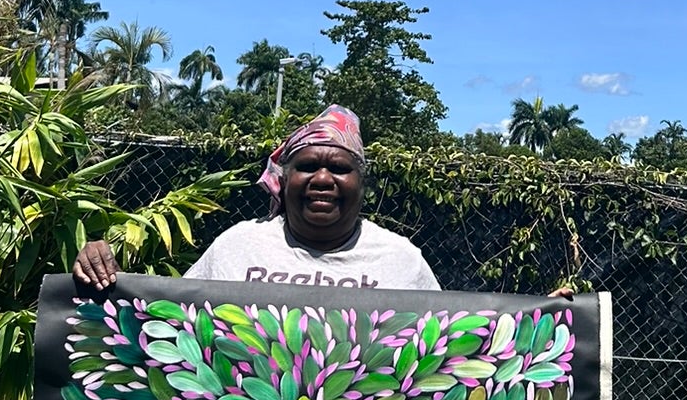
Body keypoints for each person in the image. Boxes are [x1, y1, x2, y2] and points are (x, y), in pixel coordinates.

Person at [71, 104, 440, 293]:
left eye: (340, 169)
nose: (323, 179)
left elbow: (442, 357)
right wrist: (101, 277)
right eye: (308, 166)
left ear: (362, 185)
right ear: (284, 178)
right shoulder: (239, 246)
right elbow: (170, 325)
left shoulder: (401, 262)